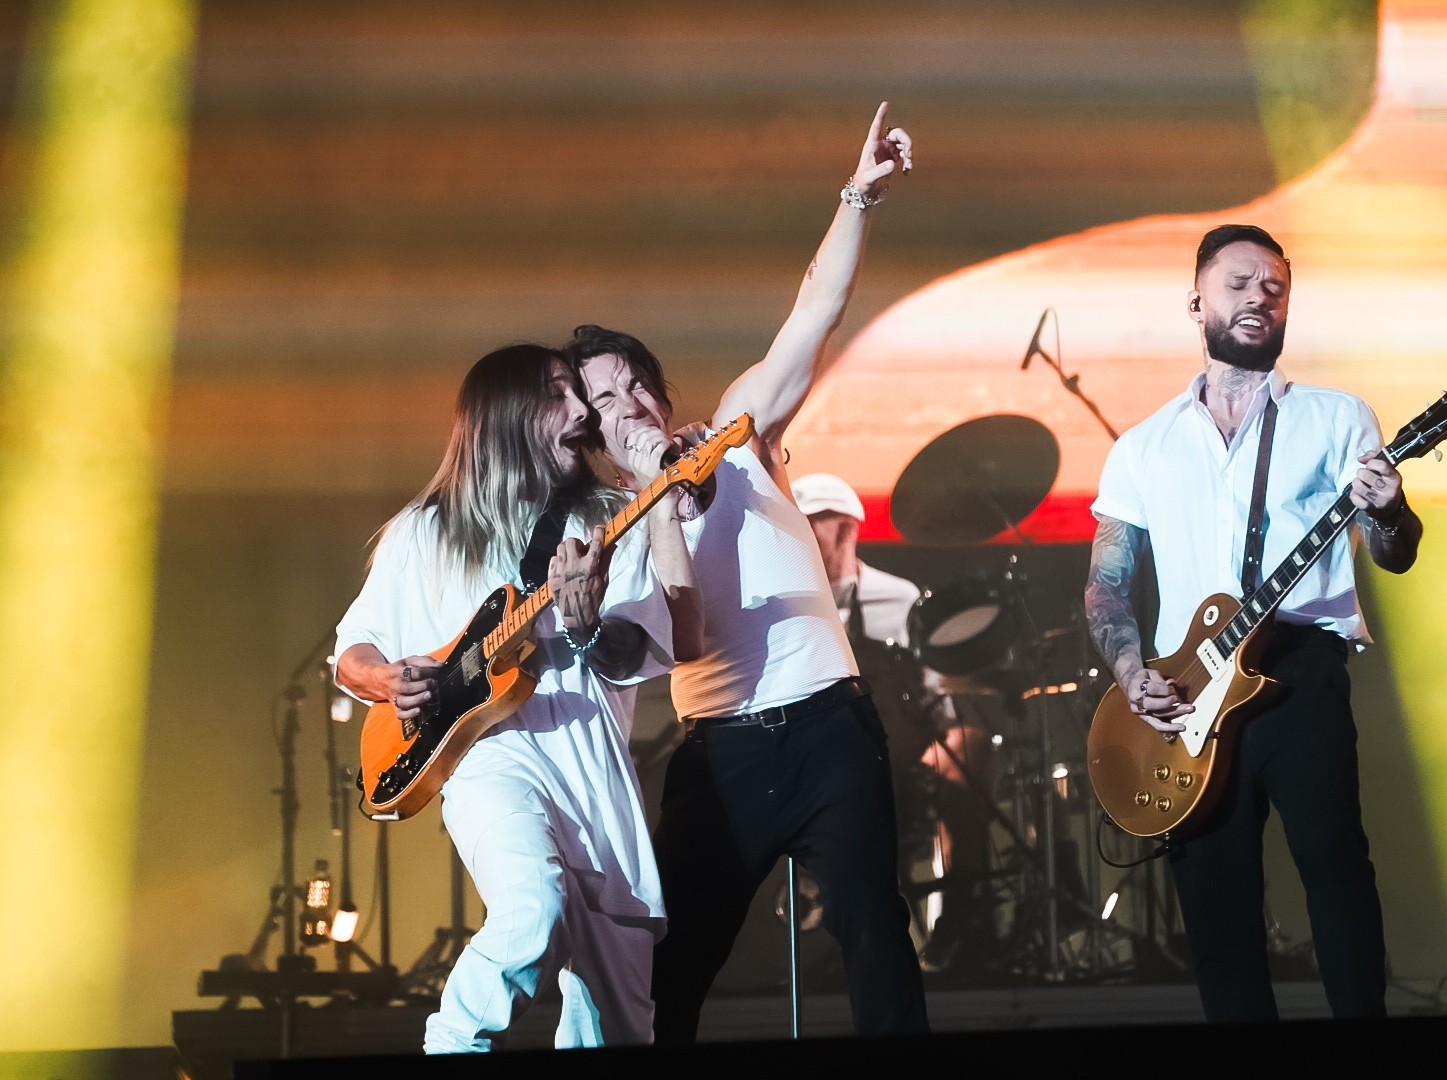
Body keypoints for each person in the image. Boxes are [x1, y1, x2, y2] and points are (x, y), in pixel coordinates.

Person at [570, 102, 929, 1044]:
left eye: (634, 383)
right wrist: (648, 513)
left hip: (827, 726)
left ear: (661, 387)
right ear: (595, 437)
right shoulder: (607, 530)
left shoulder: (736, 431)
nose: (628, 404)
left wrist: (859, 194)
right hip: (722, 752)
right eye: (604, 401)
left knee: (874, 930)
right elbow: (662, 646)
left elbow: (816, 309)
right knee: (676, 966)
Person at [1083, 224, 1423, 1022]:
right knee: (1215, 900)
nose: (1258, 298)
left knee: (1336, 872)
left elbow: (1394, 554)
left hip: (1301, 671)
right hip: (1186, 694)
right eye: (1239, 283)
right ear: (1195, 299)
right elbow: (1106, 586)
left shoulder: (1337, 418)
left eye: (1274, 288)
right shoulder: (1141, 447)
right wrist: (1133, 675)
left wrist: (1392, 511)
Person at [332, 343, 697, 1051]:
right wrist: (385, 680)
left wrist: (586, 623)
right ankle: (453, 1046)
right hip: (489, 762)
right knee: (532, 909)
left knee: (617, 1023)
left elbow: (639, 652)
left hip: (593, 771)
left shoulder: (613, 517)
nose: (583, 412)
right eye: (561, 394)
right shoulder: (425, 530)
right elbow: (355, 649)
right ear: (507, 416)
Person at [789, 471, 996, 978]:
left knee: (966, 753)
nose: (799, 534)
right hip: (822, 756)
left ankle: (963, 921)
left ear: (846, 529)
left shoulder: (899, 598)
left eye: (812, 522)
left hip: (903, 746)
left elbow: (938, 693)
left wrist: (947, 741)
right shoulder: (787, 601)